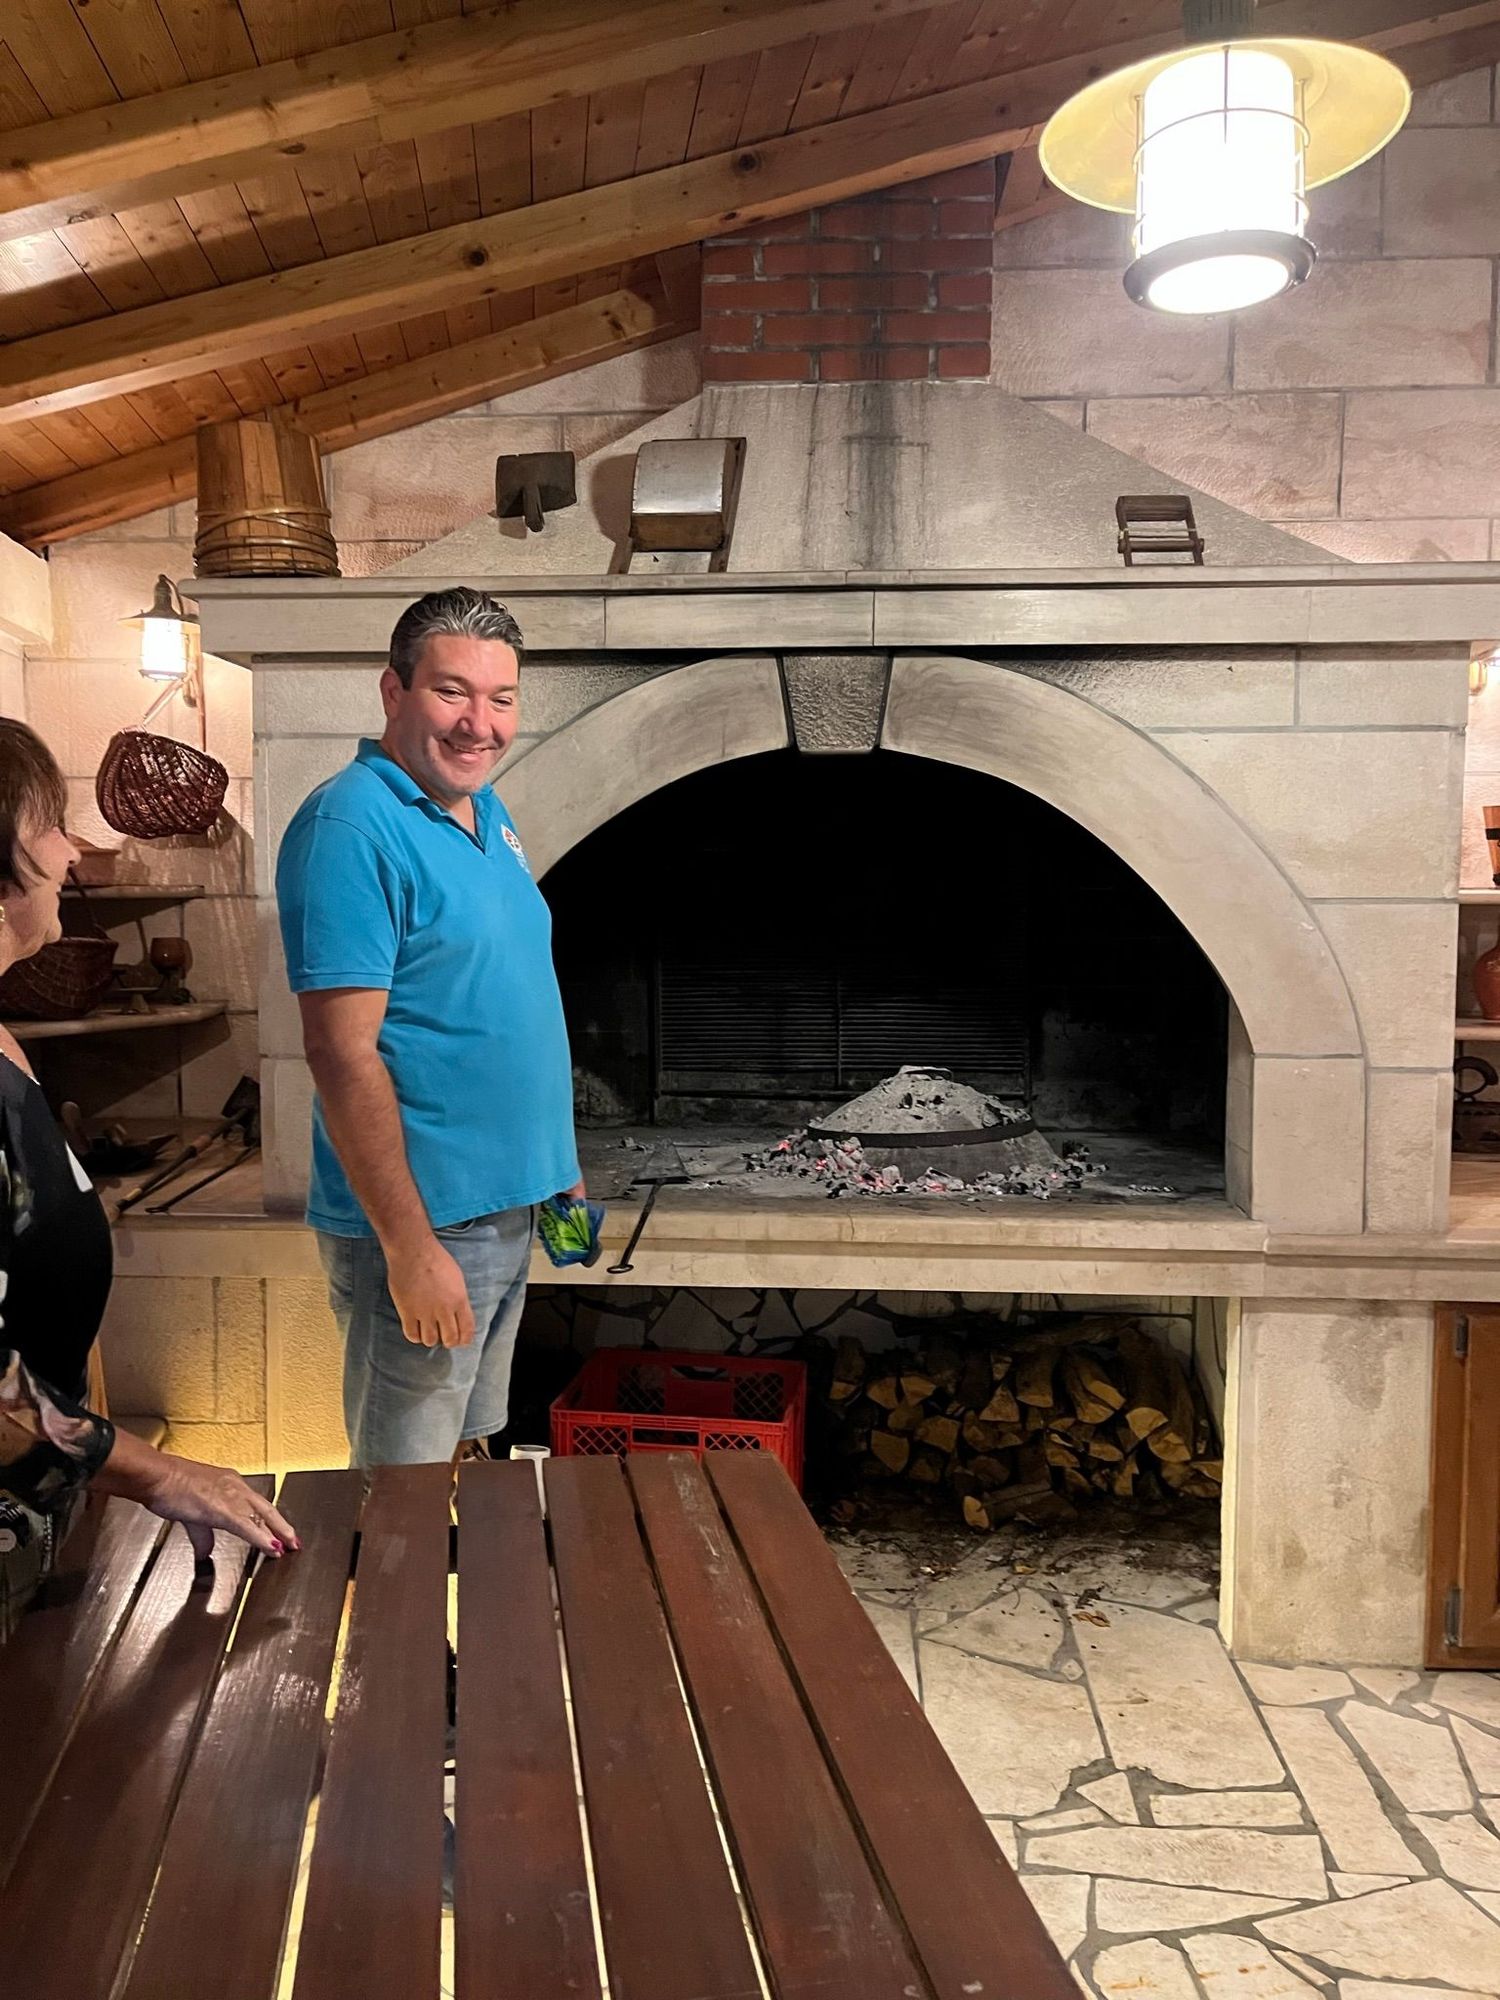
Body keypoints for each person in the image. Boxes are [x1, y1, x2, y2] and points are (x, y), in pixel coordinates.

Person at [0, 721, 296, 1638]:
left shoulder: (4, 1042)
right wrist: (156, 1470)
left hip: (37, 1509)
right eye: (49, 825)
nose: (71, 854)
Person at [276, 589, 582, 1467]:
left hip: (507, 1209)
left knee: (470, 1450)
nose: (479, 724)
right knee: (400, 1485)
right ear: (393, 691)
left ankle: (464, 1567)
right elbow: (340, 1053)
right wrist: (409, 1251)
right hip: (428, 1224)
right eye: (452, 692)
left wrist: (557, 1171)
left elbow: (510, 997)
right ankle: (396, 1574)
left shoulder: (488, 812)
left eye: (501, 698)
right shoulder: (350, 826)